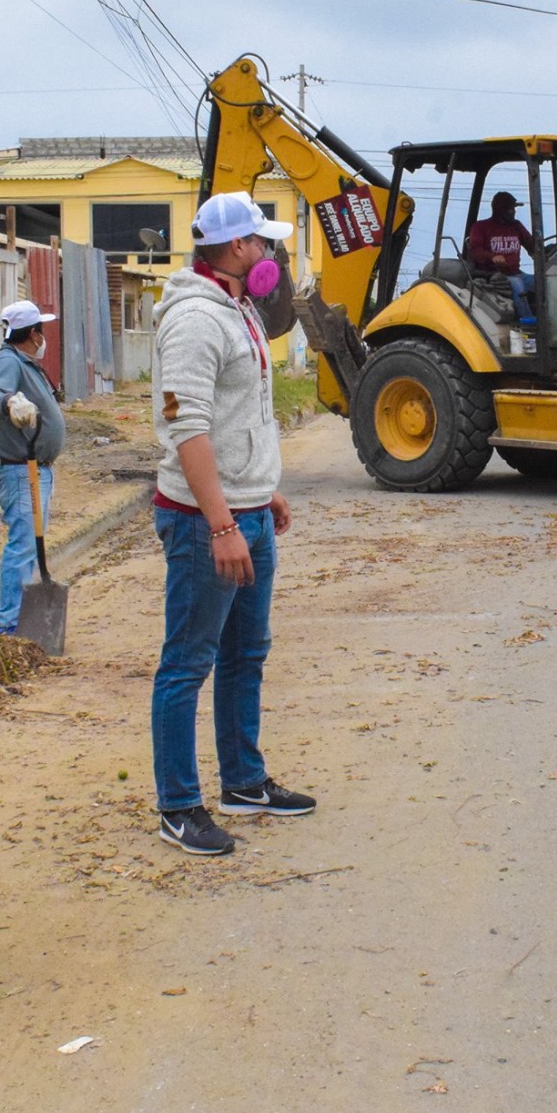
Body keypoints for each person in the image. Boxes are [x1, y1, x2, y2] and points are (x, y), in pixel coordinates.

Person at [149, 192, 315, 855]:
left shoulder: (237, 306)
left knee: (246, 653)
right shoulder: (195, 319)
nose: (270, 250)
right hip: (203, 522)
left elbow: (241, 412)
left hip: (245, 510)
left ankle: (243, 781)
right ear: (238, 247)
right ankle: (178, 805)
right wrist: (221, 524)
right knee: (187, 664)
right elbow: (186, 426)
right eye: (262, 240)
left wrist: (260, 491)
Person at [0, 299, 64, 636]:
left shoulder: (24, 363)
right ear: (33, 334)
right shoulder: (8, 362)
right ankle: (8, 626)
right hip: (19, 469)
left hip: (33, 468)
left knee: (29, 545)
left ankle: (17, 622)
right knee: (23, 545)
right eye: (41, 331)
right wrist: (9, 402)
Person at [465, 190, 537, 324]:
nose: (513, 212)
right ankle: (528, 322)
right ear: (499, 211)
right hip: (492, 275)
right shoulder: (481, 227)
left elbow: (532, 246)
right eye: (510, 210)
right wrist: (492, 257)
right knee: (518, 285)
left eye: (514, 209)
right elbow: (475, 250)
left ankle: (547, 319)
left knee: (542, 282)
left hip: (516, 273)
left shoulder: (516, 226)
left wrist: (544, 250)